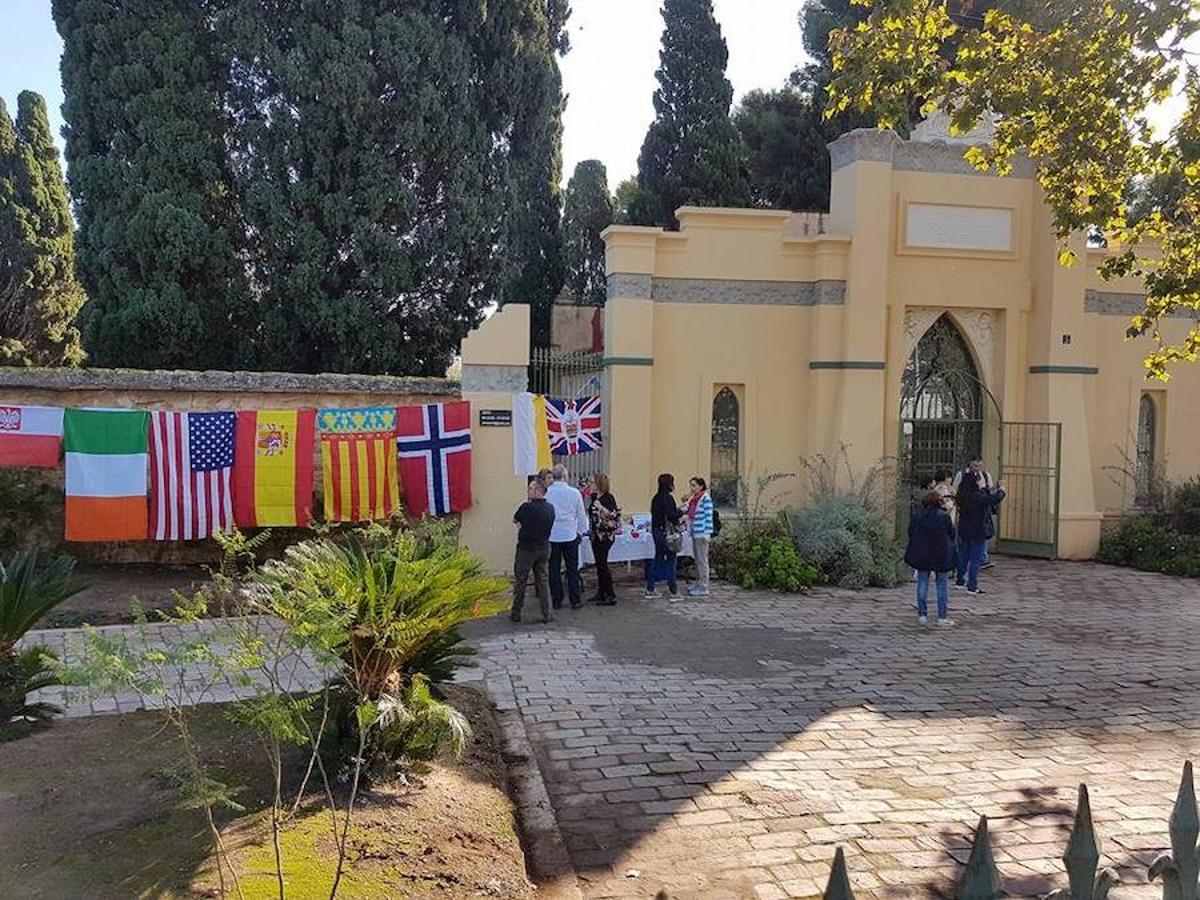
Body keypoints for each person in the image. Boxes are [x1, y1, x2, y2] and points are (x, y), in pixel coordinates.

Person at [904, 490, 957, 626]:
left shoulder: (917, 516)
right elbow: (952, 533)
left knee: (922, 583)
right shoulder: (944, 516)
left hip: (922, 553)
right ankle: (942, 617)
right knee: (942, 585)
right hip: (941, 553)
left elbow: (910, 532)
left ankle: (922, 614)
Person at [511, 480, 556, 624]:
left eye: (530, 489)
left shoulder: (526, 507)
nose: (528, 491)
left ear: (537, 491)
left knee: (521, 581)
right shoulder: (550, 508)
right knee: (543, 580)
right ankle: (547, 613)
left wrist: (522, 528)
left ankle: (516, 612)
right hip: (543, 547)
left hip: (526, 549)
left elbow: (515, 520)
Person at [955, 470, 1006, 594]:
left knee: (963, 555)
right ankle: (972, 586)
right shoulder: (977, 496)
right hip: (977, 530)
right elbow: (992, 499)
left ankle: (960, 580)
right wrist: (1002, 491)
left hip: (964, 528)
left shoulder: (962, 495)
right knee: (975, 559)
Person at [546, 464, 588, 610]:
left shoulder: (548, 493)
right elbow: (581, 514)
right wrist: (582, 531)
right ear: (565, 476)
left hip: (552, 534)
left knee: (554, 569)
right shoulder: (574, 492)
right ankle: (575, 599)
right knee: (572, 569)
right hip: (570, 534)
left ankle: (556, 599)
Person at [645, 473, 684, 601]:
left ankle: (650, 588)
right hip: (667, 533)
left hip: (657, 532)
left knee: (658, 559)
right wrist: (682, 511)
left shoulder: (655, 498)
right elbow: (672, 516)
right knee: (671, 560)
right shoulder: (668, 498)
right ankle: (673, 590)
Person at [954, 457, 996, 568]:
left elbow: (990, 490)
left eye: (979, 466)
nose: (977, 469)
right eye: (975, 466)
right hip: (967, 509)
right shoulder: (962, 475)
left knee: (983, 532)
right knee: (966, 536)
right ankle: (966, 558)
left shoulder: (986, 475)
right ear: (970, 465)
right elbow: (956, 490)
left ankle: (983, 557)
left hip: (982, 509)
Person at [587, 473, 620, 606]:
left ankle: (610, 594)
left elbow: (613, 515)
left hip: (605, 536)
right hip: (596, 535)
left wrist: (600, 507)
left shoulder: (608, 498)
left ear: (599, 484)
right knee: (599, 565)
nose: (590, 485)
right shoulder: (594, 497)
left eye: (593, 483)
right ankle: (601, 591)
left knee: (603, 564)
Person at [684, 476, 714, 597]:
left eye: (694, 485)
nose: (692, 488)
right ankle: (698, 582)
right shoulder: (695, 499)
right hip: (695, 532)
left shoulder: (705, 499)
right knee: (697, 560)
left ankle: (704, 586)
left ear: (701, 486)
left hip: (702, 533)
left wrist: (707, 533)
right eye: (691, 485)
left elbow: (708, 516)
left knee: (702, 561)